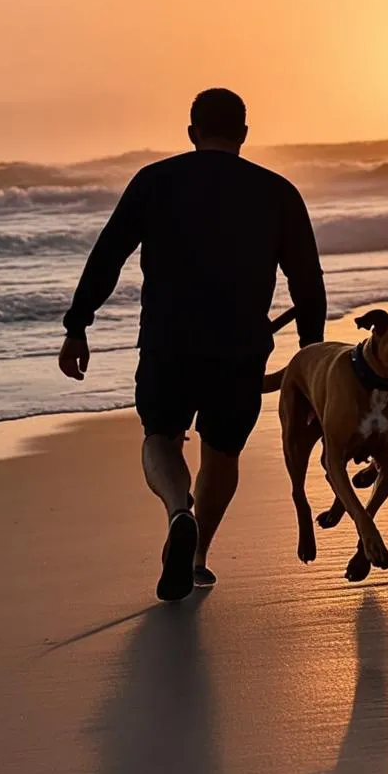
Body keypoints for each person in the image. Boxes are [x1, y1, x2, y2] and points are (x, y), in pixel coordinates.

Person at [59, 88, 326, 601]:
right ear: (245, 135)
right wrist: (310, 360)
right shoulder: (278, 192)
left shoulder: (155, 181)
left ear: (191, 133)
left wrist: (78, 324)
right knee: (223, 451)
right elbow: (307, 283)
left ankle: (179, 510)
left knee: (161, 434)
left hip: (168, 340)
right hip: (242, 347)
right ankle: (198, 554)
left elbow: (108, 255)